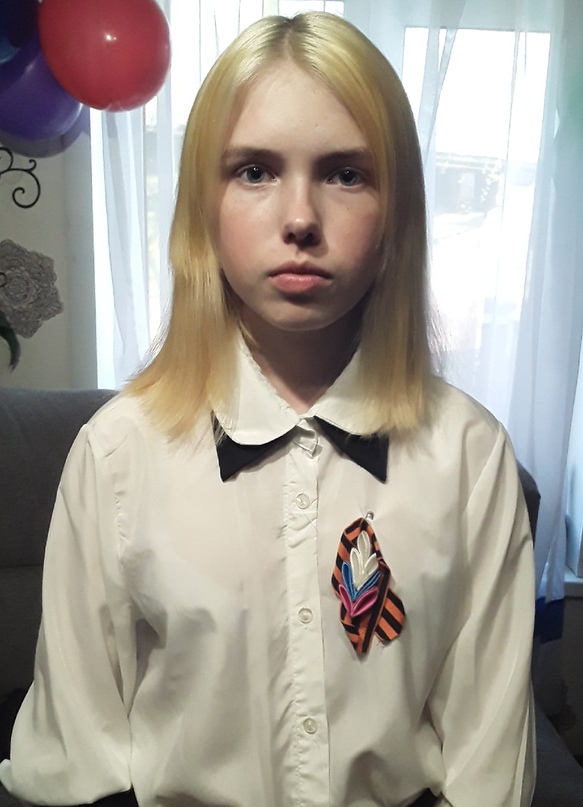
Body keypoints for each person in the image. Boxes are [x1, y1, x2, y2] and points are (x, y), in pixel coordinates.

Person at [0, 11, 535, 807]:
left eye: (345, 173)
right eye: (253, 170)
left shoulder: (470, 455)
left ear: (396, 212)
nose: (300, 219)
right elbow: (74, 755)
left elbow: (485, 765)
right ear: (203, 208)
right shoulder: (117, 454)